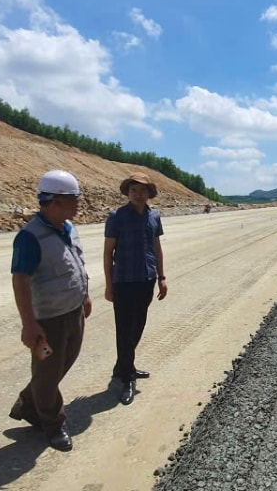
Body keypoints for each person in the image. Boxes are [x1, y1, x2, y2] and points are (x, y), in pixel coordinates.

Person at [8, 169, 92, 452]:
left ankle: (29, 403)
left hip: (73, 311)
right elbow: (20, 280)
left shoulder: (68, 228)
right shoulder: (30, 237)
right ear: (55, 201)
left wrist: (85, 295)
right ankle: (53, 423)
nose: (80, 204)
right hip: (49, 319)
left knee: (62, 363)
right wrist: (29, 324)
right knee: (47, 374)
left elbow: (78, 265)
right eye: (74, 199)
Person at [104, 172, 168, 405]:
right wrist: (109, 285)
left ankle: (123, 365)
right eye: (134, 190)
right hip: (123, 280)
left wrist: (161, 277)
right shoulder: (116, 217)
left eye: (142, 191)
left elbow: (156, 248)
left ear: (149, 193)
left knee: (138, 325)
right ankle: (127, 376)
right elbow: (107, 252)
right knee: (124, 329)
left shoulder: (154, 217)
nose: (138, 194)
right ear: (127, 192)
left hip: (146, 278)